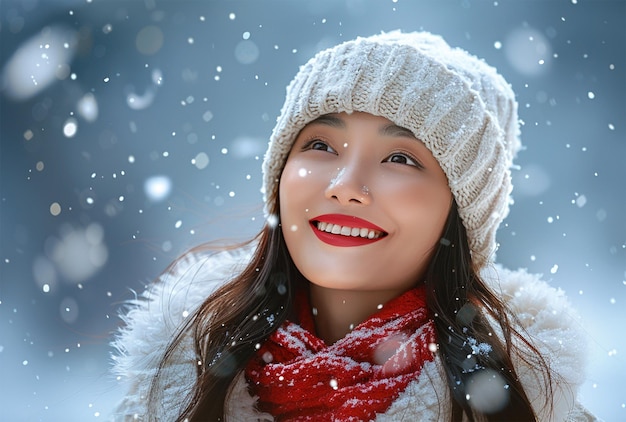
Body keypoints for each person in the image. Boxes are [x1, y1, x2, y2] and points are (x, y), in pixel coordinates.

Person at [110, 31, 596, 421]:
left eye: (401, 157)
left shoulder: (534, 407)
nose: (346, 185)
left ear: (460, 213)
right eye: (321, 146)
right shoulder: (174, 391)